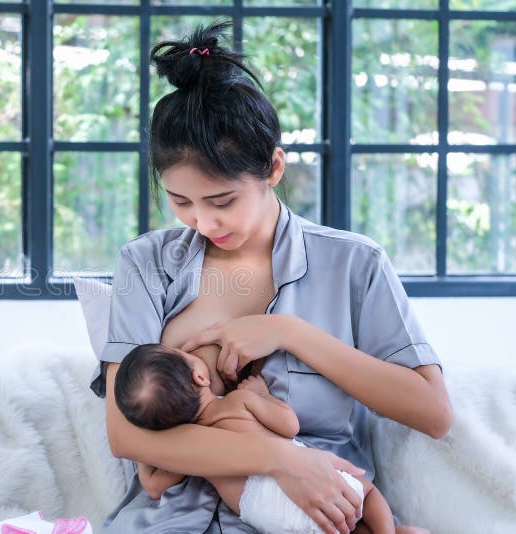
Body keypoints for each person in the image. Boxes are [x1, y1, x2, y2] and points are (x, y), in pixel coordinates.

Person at [88, 20, 452, 534]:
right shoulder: (145, 265)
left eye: (222, 201)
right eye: (181, 202)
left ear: (274, 168)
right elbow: (128, 436)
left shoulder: (354, 264)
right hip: (170, 520)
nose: (204, 223)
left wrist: (289, 332)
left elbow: (433, 412)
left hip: (312, 514)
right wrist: (278, 459)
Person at [114, 343, 396, 534]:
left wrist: (151, 440)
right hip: (303, 478)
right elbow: (289, 425)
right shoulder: (237, 402)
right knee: (366, 492)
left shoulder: (187, 454)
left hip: (265, 514)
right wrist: (262, 393)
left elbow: (152, 486)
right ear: (200, 376)